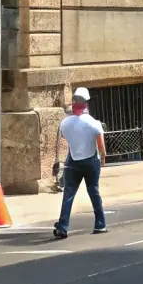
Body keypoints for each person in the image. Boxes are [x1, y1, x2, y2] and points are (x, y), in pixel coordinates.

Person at [53, 86, 106, 239]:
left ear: (74, 102)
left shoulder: (65, 123)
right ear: (87, 103)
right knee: (94, 191)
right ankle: (100, 224)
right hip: (91, 160)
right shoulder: (94, 123)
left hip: (73, 160)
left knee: (69, 193)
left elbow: (64, 137)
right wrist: (103, 158)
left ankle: (63, 227)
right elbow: (101, 145)